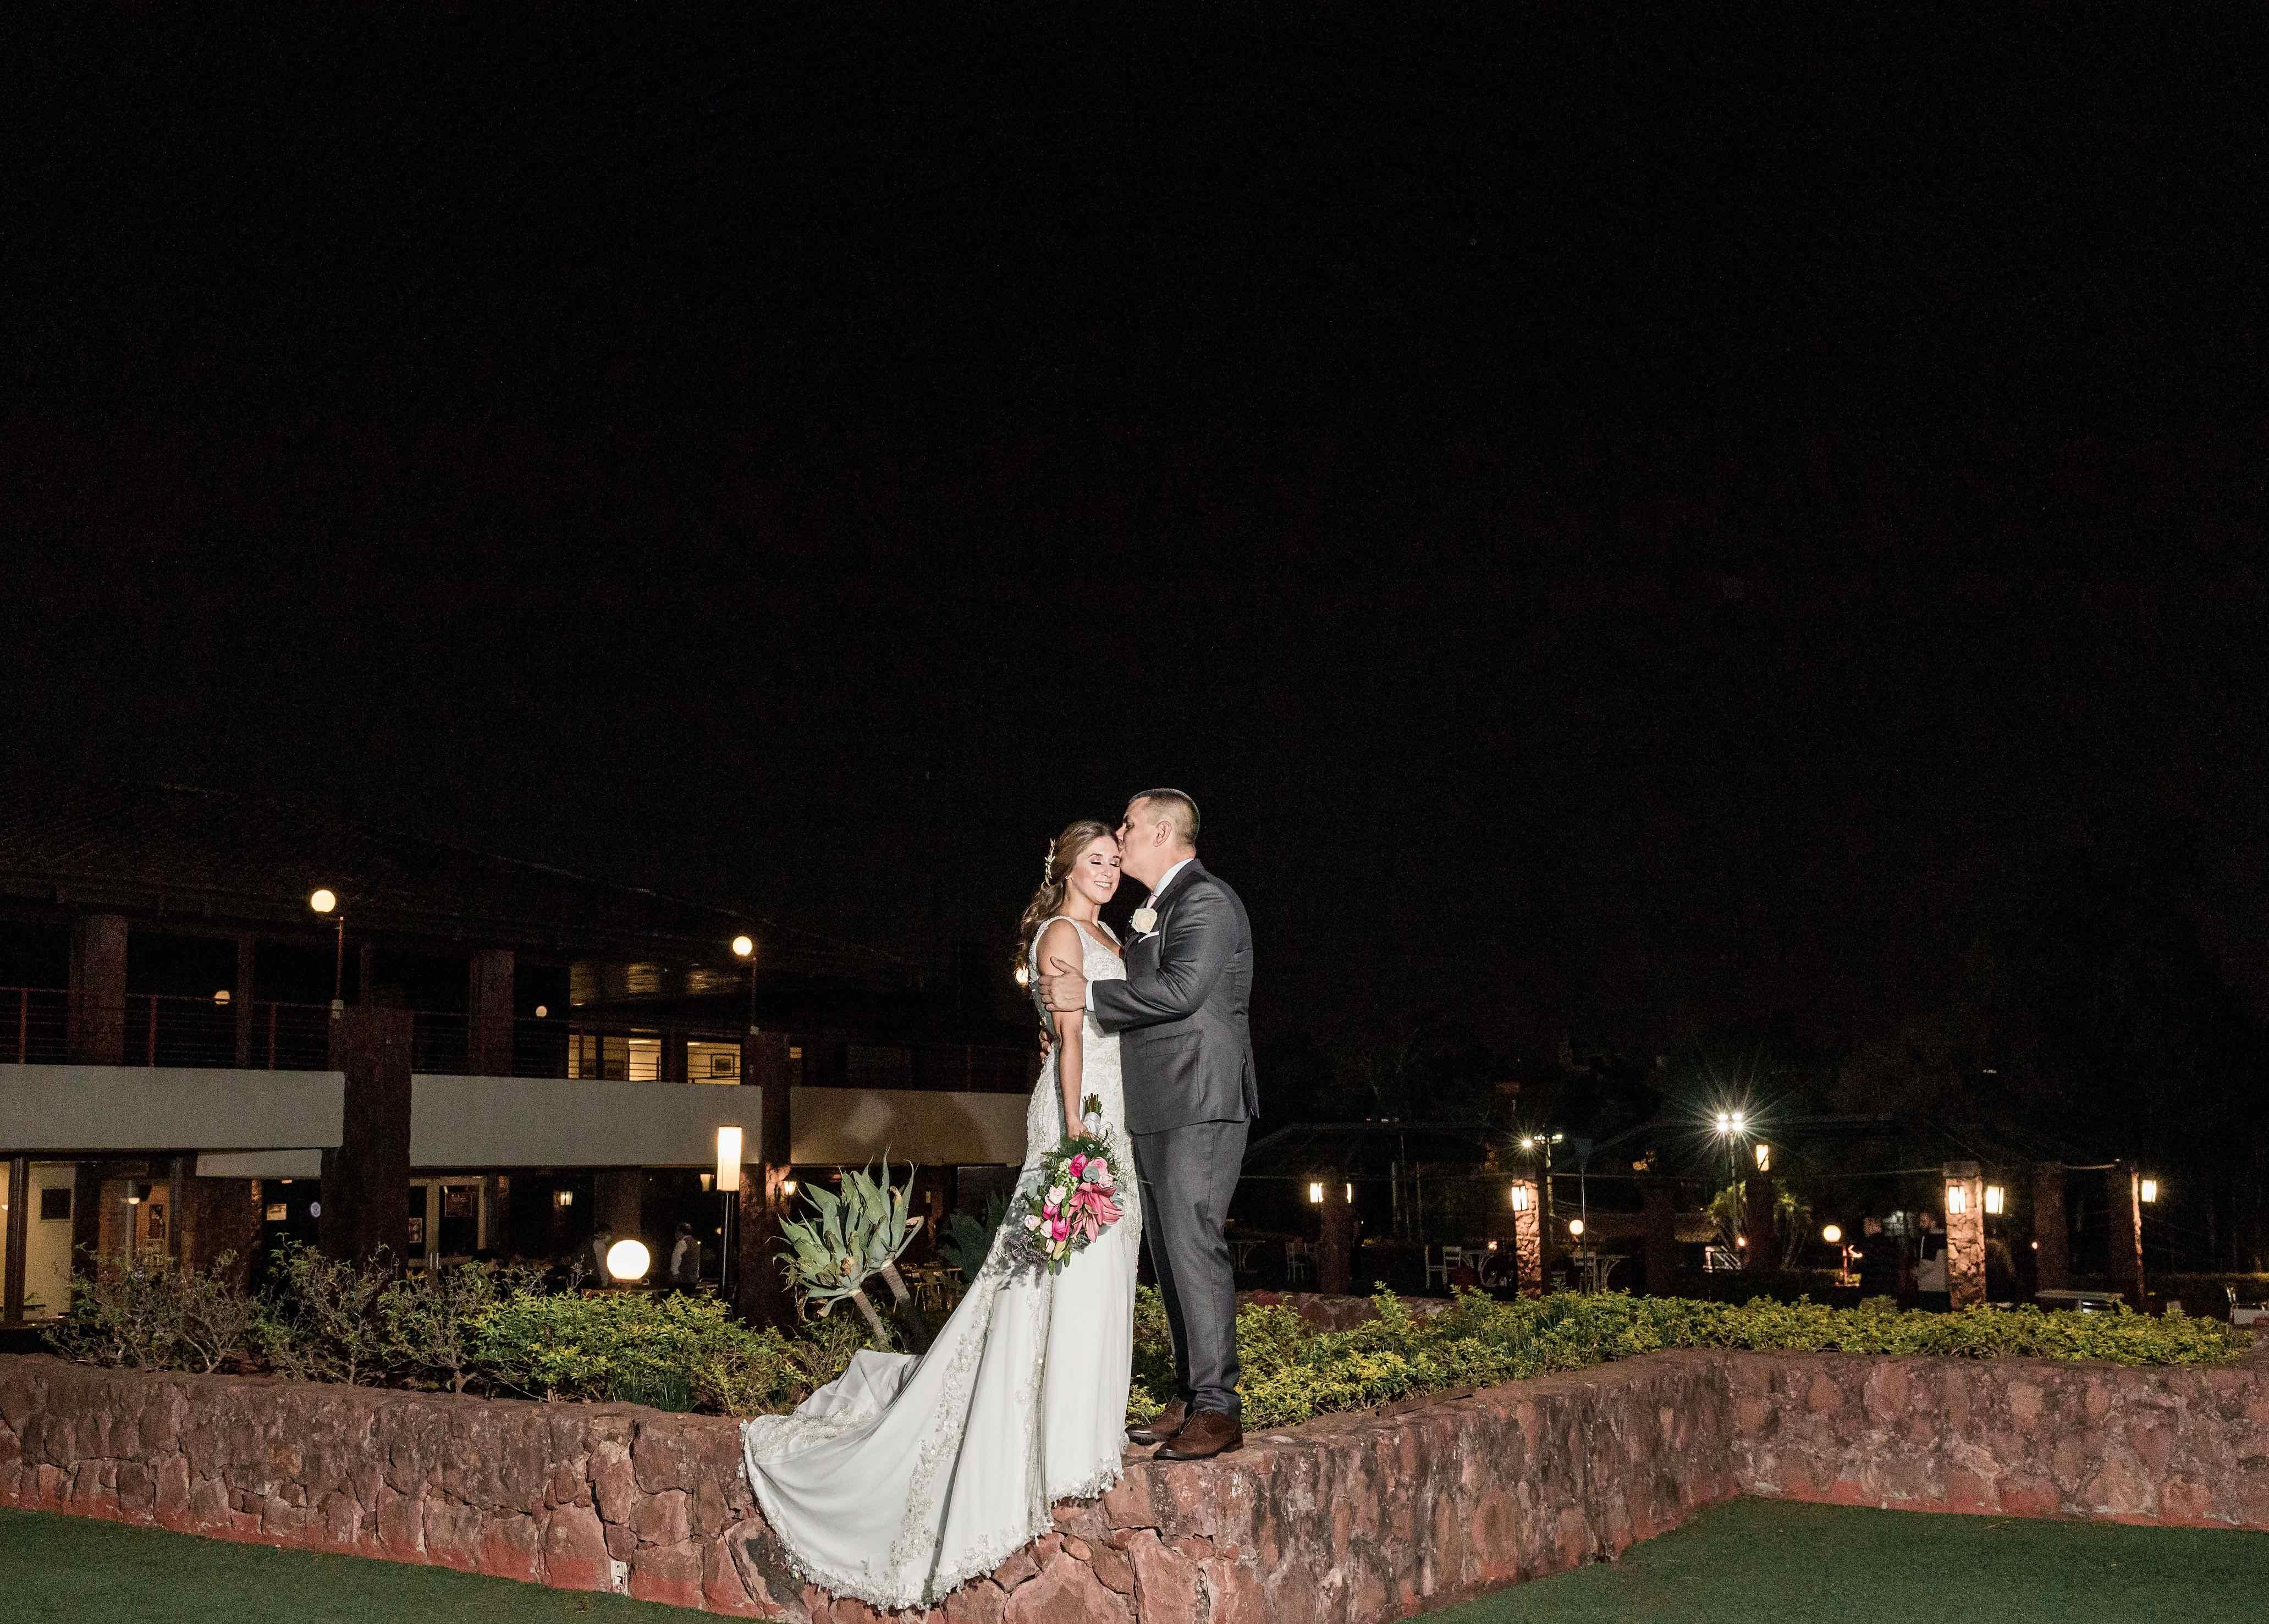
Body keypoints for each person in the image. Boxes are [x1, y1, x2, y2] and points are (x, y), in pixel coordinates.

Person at [741, 819, 1141, 1612]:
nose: (1107, 872)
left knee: (1101, 1266)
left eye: (1115, 862)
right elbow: (1067, 1040)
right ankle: (1058, 1440)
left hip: (1116, 1114)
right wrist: (1076, 1137)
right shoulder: (1064, 933)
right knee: (1057, 1272)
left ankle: (1084, 1424)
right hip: (1083, 1117)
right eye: (1094, 861)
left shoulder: (1109, 937)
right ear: (1065, 867)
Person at [1040, 789, 1257, 1463]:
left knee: (1194, 1245)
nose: (1121, 833)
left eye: (1129, 825)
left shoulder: (1205, 900)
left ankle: (1218, 1408)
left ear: (1162, 832)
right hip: (1156, 1102)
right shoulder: (1156, 909)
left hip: (1199, 1098)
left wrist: (1087, 996)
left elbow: (1182, 990)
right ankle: (1191, 1394)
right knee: (1168, 1256)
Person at [1854, 1215, 1898, 1300]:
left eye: (1866, 1226)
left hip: (1872, 1287)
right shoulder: (1889, 1243)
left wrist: (1855, 1265)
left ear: (1873, 1225)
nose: (1864, 1229)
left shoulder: (1870, 1244)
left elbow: (1864, 1265)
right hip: (1888, 1288)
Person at [668, 1220, 700, 1289]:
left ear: (680, 1232)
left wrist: (675, 1275)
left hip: (681, 1280)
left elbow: (675, 1260)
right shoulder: (696, 1244)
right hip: (693, 1280)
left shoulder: (682, 1243)